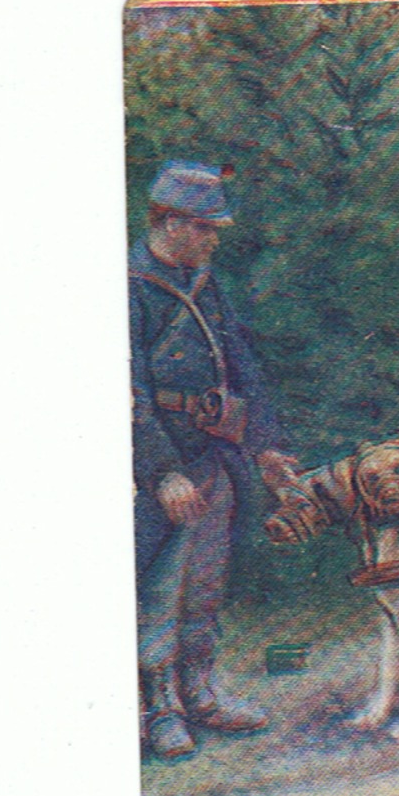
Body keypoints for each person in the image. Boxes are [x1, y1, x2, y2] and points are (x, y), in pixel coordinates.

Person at [130, 161, 296, 760]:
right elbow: (125, 390)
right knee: (157, 592)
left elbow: (240, 364)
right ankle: (158, 709)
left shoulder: (203, 279)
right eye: (204, 227)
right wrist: (160, 471)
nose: (213, 238)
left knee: (202, 584)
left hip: (213, 455)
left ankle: (200, 692)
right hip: (157, 467)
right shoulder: (126, 283)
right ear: (171, 223)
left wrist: (266, 444)